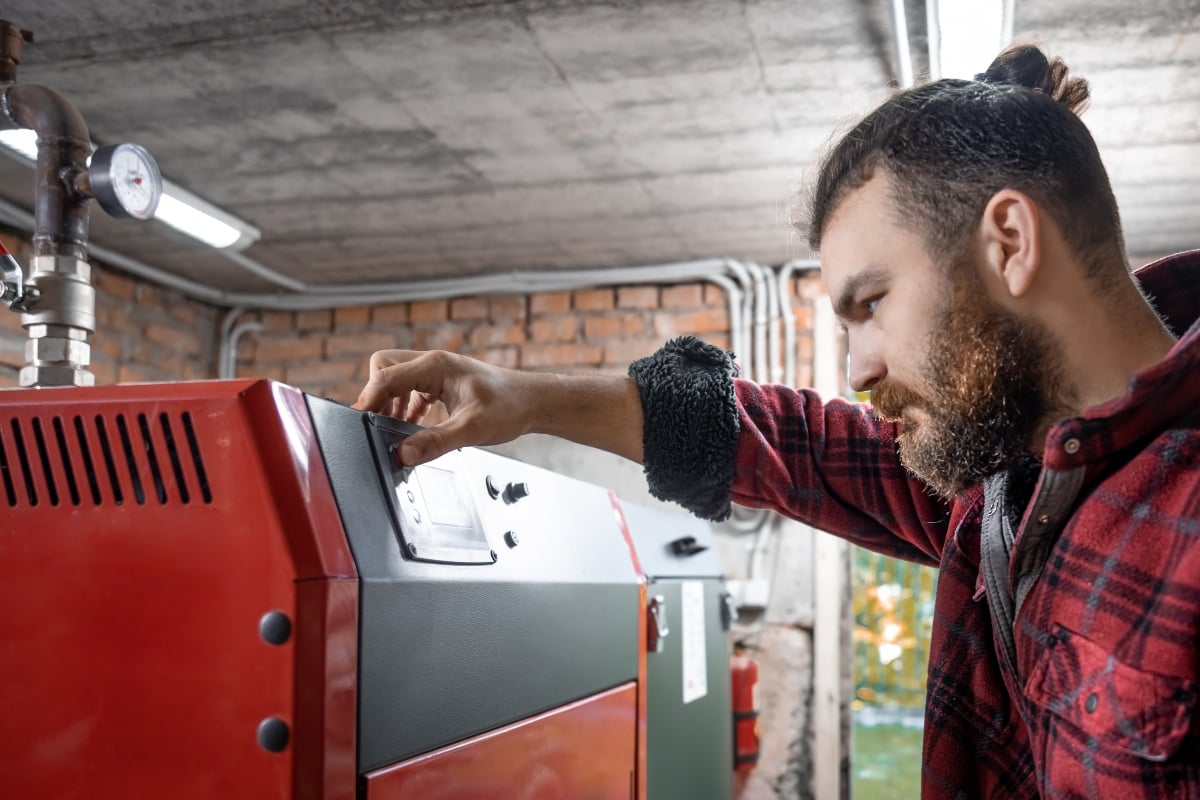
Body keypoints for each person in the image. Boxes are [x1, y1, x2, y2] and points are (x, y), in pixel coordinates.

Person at [355, 44, 1200, 798]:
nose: (858, 369)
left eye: (871, 302)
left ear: (1010, 243)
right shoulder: (1008, 482)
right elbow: (798, 445)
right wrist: (528, 397)